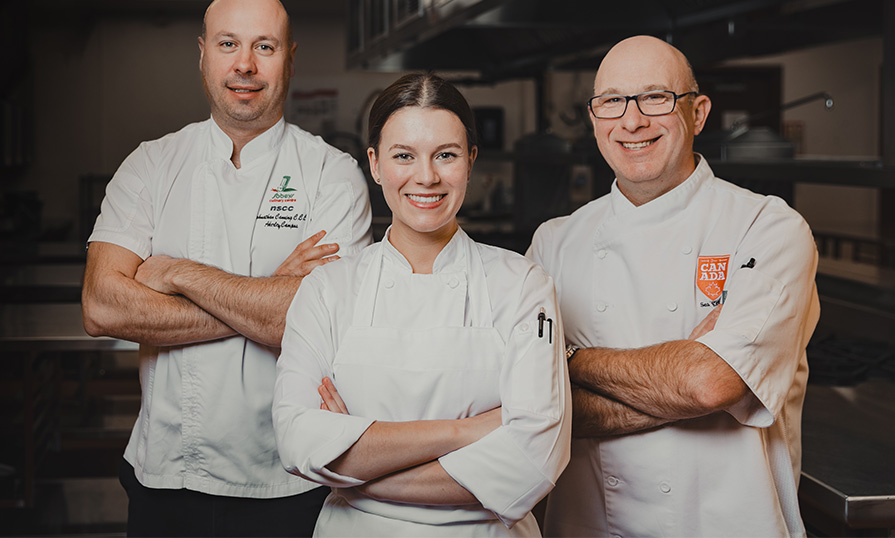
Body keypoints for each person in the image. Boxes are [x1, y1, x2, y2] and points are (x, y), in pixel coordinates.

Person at [81, 0, 372, 535]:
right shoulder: (150, 164)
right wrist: (270, 295)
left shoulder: (332, 174)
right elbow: (102, 306)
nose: (245, 64)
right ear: (203, 54)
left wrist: (176, 274)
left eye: (265, 46)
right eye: (228, 44)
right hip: (165, 474)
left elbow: (318, 326)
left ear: (289, 58)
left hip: (290, 476)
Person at [527, 35, 820, 537]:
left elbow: (710, 383)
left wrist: (571, 361)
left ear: (699, 112)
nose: (632, 120)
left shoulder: (767, 227)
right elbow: (526, 409)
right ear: (594, 117)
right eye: (612, 101)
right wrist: (684, 370)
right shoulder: (553, 243)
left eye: (656, 97)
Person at [272, 73, 571, 537]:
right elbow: (296, 441)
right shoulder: (328, 289)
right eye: (404, 156)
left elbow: (532, 464)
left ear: (471, 160)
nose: (426, 176)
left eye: (446, 155)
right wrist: (464, 431)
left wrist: (358, 467)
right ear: (374, 164)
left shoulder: (523, 286)